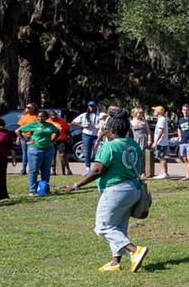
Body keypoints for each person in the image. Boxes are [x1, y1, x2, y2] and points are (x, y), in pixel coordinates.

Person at [62, 108, 150, 273]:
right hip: (134, 189)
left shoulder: (109, 147)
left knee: (103, 226)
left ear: (110, 130)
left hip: (116, 191)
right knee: (118, 226)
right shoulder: (134, 145)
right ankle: (115, 262)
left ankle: (134, 250)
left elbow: (97, 171)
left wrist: (75, 185)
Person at [18, 110, 61, 195]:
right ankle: (33, 190)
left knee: (46, 170)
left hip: (48, 149)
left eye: (43, 116)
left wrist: (53, 140)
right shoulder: (33, 124)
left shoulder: (50, 125)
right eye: (39, 116)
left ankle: (45, 188)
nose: (40, 118)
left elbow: (57, 132)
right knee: (34, 170)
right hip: (35, 150)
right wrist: (25, 141)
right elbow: (18, 131)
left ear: (46, 117)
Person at [73, 101, 106, 173]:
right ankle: (88, 168)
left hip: (96, 135)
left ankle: (97, 167)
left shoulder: (99, 114)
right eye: (90, 106)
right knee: (87, 151)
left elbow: (105, 116)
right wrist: (82, 126)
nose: (92, 108)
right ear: (88, 107)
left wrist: (100, 124)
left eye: (93, 106)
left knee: (98, 151)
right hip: (86, 134)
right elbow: (73, 122)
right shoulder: (84, 115)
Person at [16, 102, 39, 175]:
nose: (27, 108)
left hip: (33, 137)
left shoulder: (36, 117)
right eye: (26, 107)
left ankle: (34, 169)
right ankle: (23, 169)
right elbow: (20, 128)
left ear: (33, 109)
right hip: (24, 137)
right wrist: (18, 138)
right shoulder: (23, 117)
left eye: (29, 107)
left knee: (33, 153)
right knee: (25, 153)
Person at [49, 109, 73, 176]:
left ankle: (68, 169)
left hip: (61, 140)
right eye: (52, 115)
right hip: (51, 141)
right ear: (50, 116)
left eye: (55, 115)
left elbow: (67, 130)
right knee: (52, 156)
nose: (54, 117)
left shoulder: (62, 121)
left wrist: (70, 137)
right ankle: (53, 170)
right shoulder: (48, 122)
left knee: (62, 155)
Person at [151, 106, 171, 179]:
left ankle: (164, 173)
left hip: (161, 142)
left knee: (161, 157)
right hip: (160, 142)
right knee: (160, 157)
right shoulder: (160, 120)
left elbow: (161, 131)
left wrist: (155, 142)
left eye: (155, 110)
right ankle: (162, 172)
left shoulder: (162, 120)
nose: (154, 112)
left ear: (159, 112)